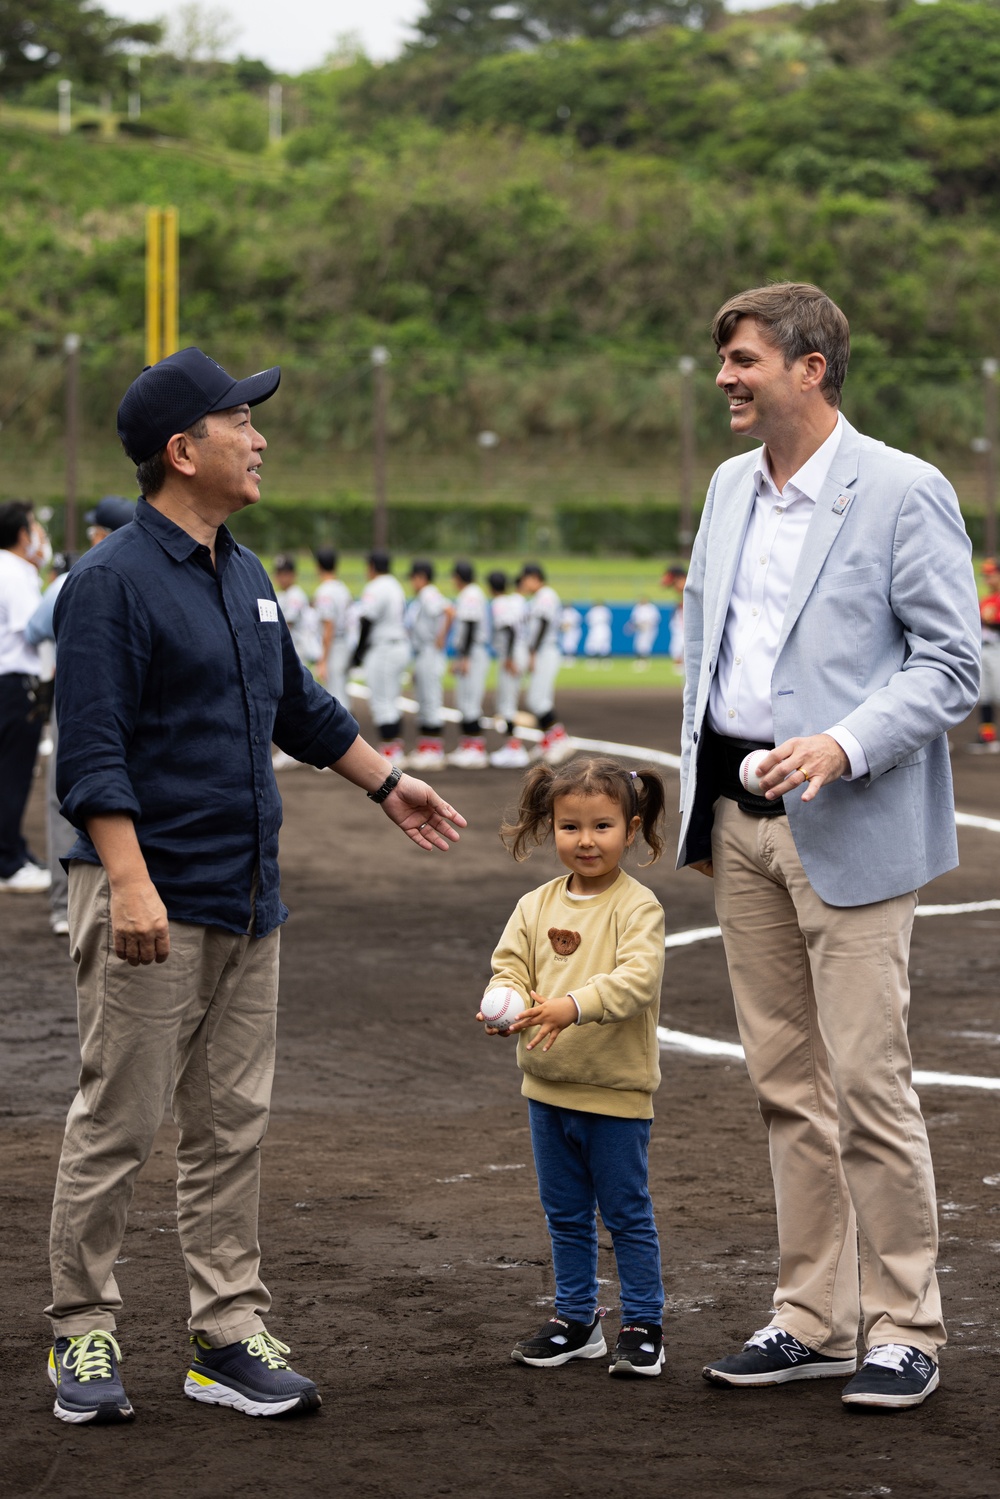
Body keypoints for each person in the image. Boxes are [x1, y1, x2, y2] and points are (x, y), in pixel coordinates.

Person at [46, 346, 466, 1428]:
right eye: (241, 419)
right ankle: (81, 1325)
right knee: (120, 1119)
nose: (260, 434)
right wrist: (129, 884)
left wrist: (389, 782)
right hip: (152, 897)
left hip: (247, 895)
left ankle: (226, 1332)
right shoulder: (105, 583)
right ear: (183, 451)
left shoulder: (244, 570)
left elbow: (298, 704)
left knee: (232, 1124)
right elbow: (91, 753)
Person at [678, 283, 980, 1410]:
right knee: (784, 1086)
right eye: (723, 360)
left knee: (866, 1080)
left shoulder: (904, 490)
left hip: (849, 820)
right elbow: (707, 645)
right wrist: (703, 795)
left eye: (744, 358)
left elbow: (954, 665)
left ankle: (905, 1323)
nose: (724, 377)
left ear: (810, 367)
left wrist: (844, 743)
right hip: (742, 822)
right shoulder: (725, 487)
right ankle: (813, 1314)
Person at [480, 757, 667, 1377]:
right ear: (550, 826)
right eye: (570, 827)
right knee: (564, 1214)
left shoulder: (638, 908)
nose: (586, 841)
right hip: (547, 1090)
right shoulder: (534, 905)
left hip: (614, 1093)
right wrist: (505, 997)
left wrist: (570, 1006)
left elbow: (635, 981)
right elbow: (511, 965)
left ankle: (643, 1324)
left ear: (632, 829)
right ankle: (576, 1318)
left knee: (626, 1214)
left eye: (602, 826)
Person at [25, 496, 136, 934]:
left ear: (101, 535)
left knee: (65, 798)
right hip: (137, 714)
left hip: (79, 705)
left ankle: (63, 906)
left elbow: (35, 629)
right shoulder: (156, 575)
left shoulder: (73, 578)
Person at [0, 500, 51, 894]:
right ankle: (8, 862)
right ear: (23, 534)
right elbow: (34, 627)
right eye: (36, 527)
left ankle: (14, 848)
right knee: (13, 774)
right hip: (14, 683)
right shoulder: (15, 572)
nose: (40, 536)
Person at [352, 550, 410, 767]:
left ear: (373, 567)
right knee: (392, 700)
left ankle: (390, 752)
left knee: (381, 702)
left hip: (384, 648)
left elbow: (366, 621)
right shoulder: (395, 585)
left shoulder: (376, 586)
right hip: (398, 646)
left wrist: (358, 653)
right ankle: (395, 748)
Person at [518, 564, 574, 765]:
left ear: (534, 577)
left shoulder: (545, 595)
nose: (523, 583)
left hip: (545, 650)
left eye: (525, 579)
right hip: (543, 650)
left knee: (537, 699)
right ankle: (548, 741)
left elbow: (542, 624)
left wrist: (532, 652)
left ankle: (560, 740)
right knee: (540, 698)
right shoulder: (539, 597)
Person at [406, 559, 453, 771]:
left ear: (421, 577)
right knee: (424, 699)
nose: (411, 582)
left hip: (431, 651)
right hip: (423, 652)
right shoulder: (422, 597)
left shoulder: (429, 593)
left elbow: (450, 611)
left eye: (413, 577)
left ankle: (434, 751)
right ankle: (426, 748)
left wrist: (442, 636)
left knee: (431, 699)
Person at [447, 560, 490, 769]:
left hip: (473, 652)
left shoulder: (471, 593)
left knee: (471, 701)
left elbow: (471, 625)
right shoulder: (470, 593)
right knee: (464, 701)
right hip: (469, 652)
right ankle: (468, 746)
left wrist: (463, 658)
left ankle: (476, 750)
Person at [487, 569, 530, 769]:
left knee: (507, 704)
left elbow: (510, 629)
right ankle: (512, 747)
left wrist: (510, 657)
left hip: (512, 654)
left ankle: (514, 749)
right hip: (519, 651)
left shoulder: (499, 603)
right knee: (507, 701)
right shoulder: (514, 600)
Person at [312, 546, 353, 708]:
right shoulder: (342, 588)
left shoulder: (325, 591)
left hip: (333, 646)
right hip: (344, 642)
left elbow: (329, 626)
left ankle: (347, 732)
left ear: (318, 566)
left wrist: (322, 660)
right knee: (342, 692)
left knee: (335, 696)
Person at [968, 557, 1000, 754]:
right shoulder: (986, 600)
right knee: (985, 694)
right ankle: (987, 736)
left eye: (991, 574)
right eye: (986, 575)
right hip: (985, 648)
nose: (988, 579)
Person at [626, 598, 661, 667]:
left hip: (649, 630)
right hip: (639, 630)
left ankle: (645, 661)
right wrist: (635, 626)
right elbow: (634, 619)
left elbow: (656, 619)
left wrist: (647, 625)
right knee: (638, 645)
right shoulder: (637, 607)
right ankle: (639, 660)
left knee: (645, 645)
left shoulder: (652, 608)